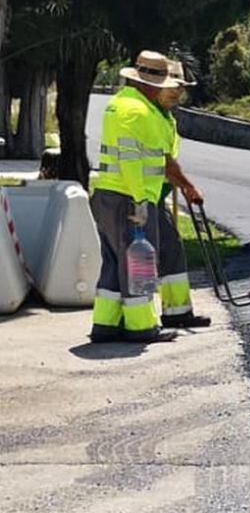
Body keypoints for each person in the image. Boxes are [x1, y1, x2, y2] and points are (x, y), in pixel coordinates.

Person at [89, 51, 179, 344]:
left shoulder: (119, 104)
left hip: (106, 195)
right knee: (137, 263)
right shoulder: (138, 111)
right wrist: (140, 200)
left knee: (113, 262)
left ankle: (105, 324)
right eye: (161, 83)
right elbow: (129, 159)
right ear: (149, 84)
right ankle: (142, 327)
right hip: (129, 199)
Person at [153, 59, 210, 330]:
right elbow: (164, 163)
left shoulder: (166, 116)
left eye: (180, 87)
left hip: (152, 194)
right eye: (171, 87)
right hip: (137, 197)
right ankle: (136, 319)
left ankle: (177, 312)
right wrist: (188, 187)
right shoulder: (150, 115)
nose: (176, 92)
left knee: (172, 249)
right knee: (142, 256)